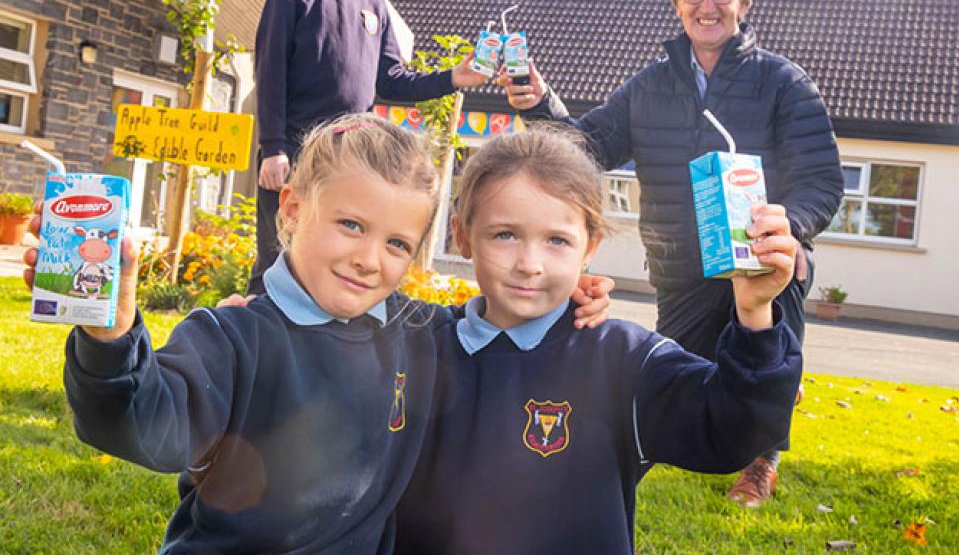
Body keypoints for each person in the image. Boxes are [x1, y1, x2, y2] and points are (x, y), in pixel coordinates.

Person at [22, 115, 611, 555]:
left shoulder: (421, 334)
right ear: (295, 208)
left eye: (397, 244)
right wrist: (112, 335)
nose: (368, 259)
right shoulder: (231, 335)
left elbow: (496, 328)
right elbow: (143, 427)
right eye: (350, 225)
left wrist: (565, 295)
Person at [500, 0, 843, 506]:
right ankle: (621, 463)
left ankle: (761, 461)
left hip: (758, 260)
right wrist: (541, 104)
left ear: (743, 3)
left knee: (768, 353)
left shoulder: (784, 83)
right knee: (666, 374)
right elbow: (589, 146)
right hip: (681, 260)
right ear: (677, 4)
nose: (707, 6)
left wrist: (790, 223)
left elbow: (821, 180)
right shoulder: (649, 86)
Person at [394, 127, 803, 554]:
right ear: (461, 235)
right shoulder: (417, 343)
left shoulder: (623, 361)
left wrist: (755, 313)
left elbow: (733, 429)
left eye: (557, 241)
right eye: (505, 235)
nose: (529, 264)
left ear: (590, 246)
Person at [250, 0, 488, 294]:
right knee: (279, 251)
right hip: (293, 150)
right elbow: (269, 72)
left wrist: (452, 78)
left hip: (348, 153)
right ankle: (252, 335)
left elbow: (392, 79)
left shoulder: (373, 5)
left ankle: (319, 338)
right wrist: (273, 147)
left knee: (332, 253)